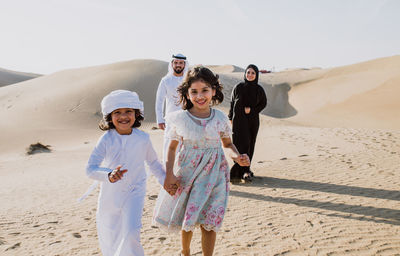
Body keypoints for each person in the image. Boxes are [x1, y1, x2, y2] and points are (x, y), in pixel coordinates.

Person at [153, 66, 250, 256]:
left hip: (216, 175)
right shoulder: (180, 119)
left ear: (214, 91)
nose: (200, 96)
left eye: (205, 90)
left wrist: (237, 157)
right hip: (189, 173)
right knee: (188, 218)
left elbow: (227, 143)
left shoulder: (220, 118)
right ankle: (185, 252)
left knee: (210, 222)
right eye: (194, 91)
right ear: (187, 94)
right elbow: (172, 148)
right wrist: (169, 174)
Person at [86, 90, 170, 256]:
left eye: (128, 111)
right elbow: (90, 168)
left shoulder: (143, 138)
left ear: (136, 114)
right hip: (110, 195)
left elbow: (153, 163)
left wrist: (166, 182)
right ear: (109, 116)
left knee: (131, 233)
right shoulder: (106, 139)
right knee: (110, 235)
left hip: (135, 192)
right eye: (117, 112)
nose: (123, 116)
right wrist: (109, 175)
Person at [228, 64, 267, 183]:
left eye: (253, 73)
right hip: (238, 121)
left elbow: (263, 104)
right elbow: (232, 102)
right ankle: (238, 170)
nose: (250, 75)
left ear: (256, 75)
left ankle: (246, 170)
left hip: (252, 121)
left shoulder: (259, 89)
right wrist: (230, 117)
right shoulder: (238, 87)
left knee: (249, 144)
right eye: (248, 72)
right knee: (238, 144)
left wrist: (252, 110)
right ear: (245, 74)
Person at [155, 53, 189, 162]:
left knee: (186, 146)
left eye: (181, 63)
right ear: (172, 64)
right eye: (176, 63)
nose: (178, 65)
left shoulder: (188, 80)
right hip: (171, 119)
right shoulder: (166, 80)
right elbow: (159, 101)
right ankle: (168, 172)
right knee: (169, 145)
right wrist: (160, 119)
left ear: (184, 64)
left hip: (187, 118)